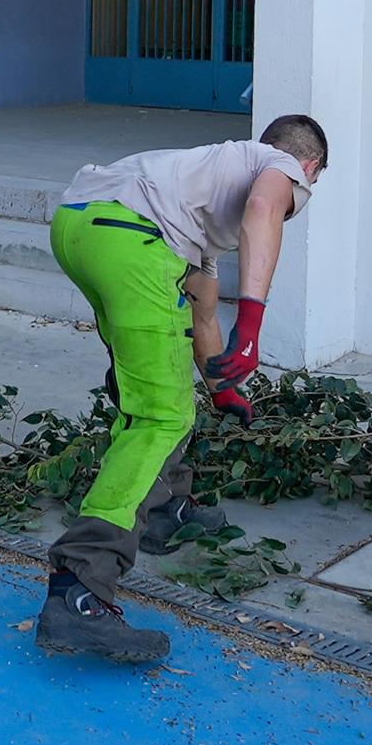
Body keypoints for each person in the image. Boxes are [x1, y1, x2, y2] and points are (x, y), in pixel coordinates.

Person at [34, 115, 330, 663]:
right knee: (161, 416)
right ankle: (78, 588)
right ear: (308, 168)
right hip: (129, 242)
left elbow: (203, 311)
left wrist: (220, 386)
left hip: (80, 228)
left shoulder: (200, 190)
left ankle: (165, 508)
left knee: (154, 383)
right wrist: (256, 321)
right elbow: (266, 210)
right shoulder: (280, 165)